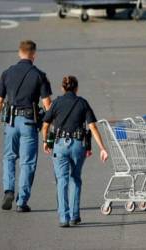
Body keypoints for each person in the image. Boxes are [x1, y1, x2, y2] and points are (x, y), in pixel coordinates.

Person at [42, 75, 108, 227]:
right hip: (78, 145)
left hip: (59, 144)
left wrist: (46, 142)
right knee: (75, 178)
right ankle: (74, 216)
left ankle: (63, 218)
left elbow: (45, 125)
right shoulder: (82, 103)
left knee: (62, 180)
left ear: (62, 88)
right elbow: (92, 127)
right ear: (76, 88)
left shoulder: (56, 103)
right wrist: (102, 148)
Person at [0, 40, 52, 212]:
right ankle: (22, 202)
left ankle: (8, 190)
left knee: (9, 157)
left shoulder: (7, 73)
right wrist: (49, 131)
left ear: (19, 53)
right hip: (29, 122)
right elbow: (47, 105)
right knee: (27, 162)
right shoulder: (39, 75)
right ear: (33, 54)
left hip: (11, 122)